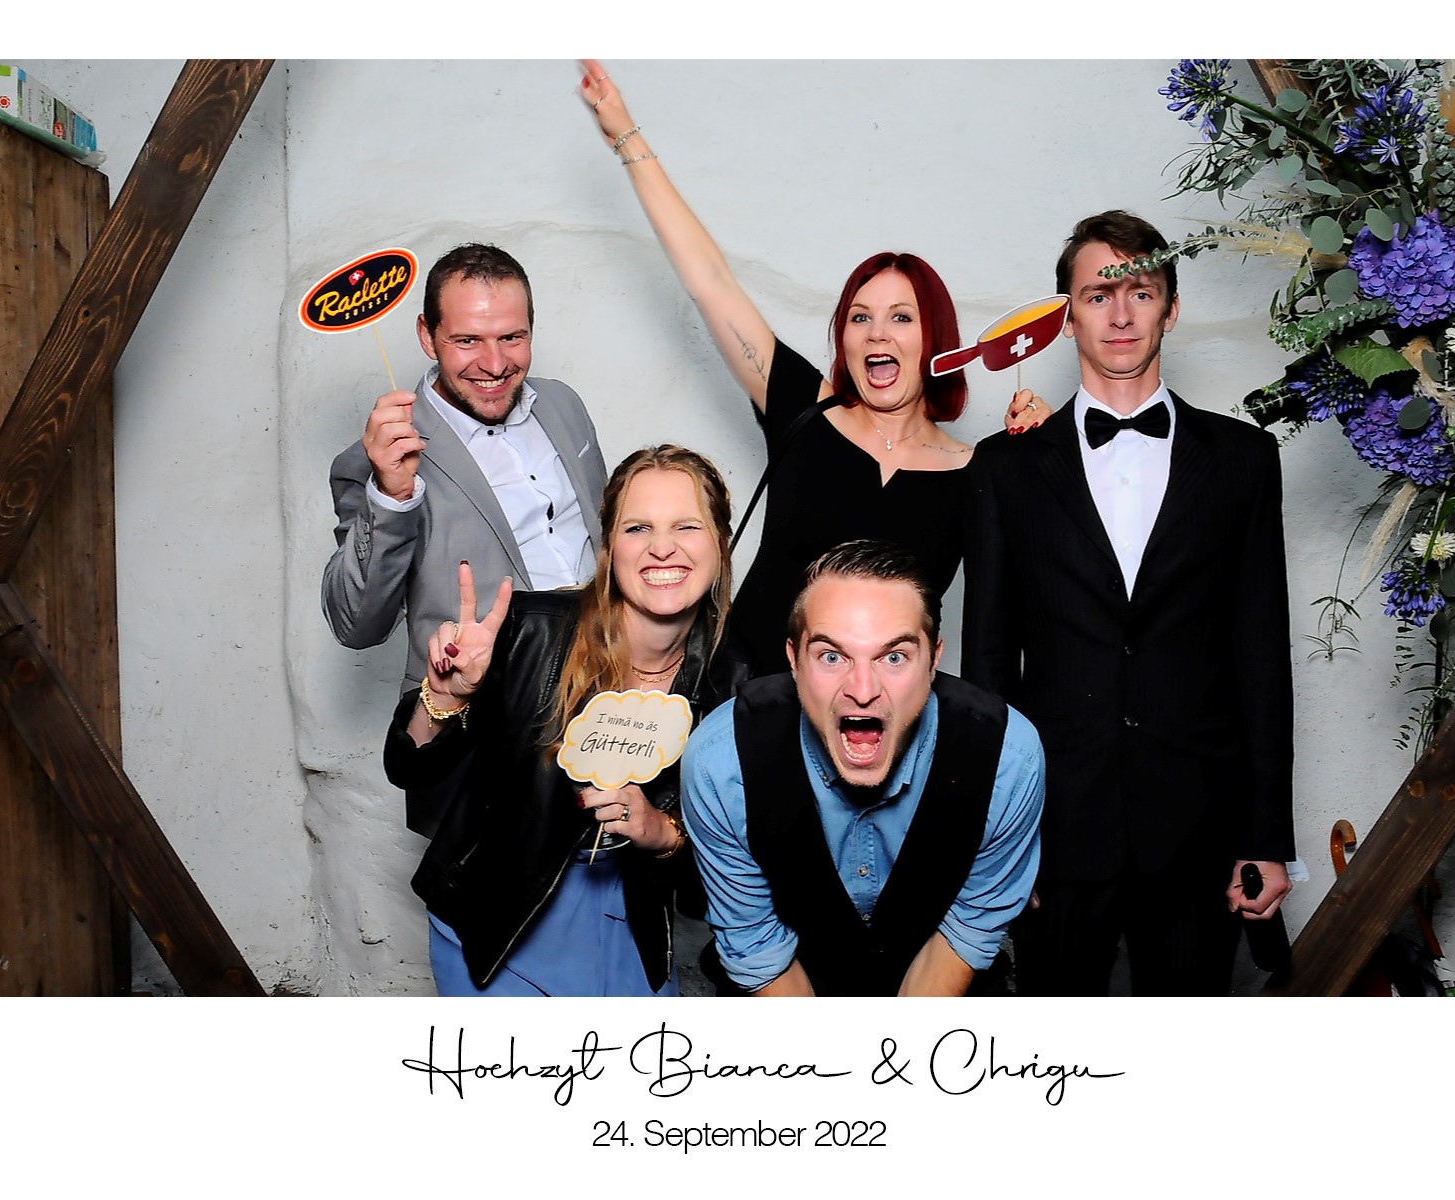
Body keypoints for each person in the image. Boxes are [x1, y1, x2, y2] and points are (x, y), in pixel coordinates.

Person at [962, 210, 1295, 996]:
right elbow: (987, 671)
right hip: (1052, 830)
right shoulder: (1005, 469)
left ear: (1170, 309)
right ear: (1066, 316)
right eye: (1097, 295)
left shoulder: (1243, 460)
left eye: (1140, 292)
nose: (1119, 315)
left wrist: (1267, 835)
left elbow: (1261, 657)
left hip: (1200, 832)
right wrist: (998, 842)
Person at [577, 61, 977, 677]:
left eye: (901, 317)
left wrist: (1040, 433)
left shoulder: (978, 473)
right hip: (748, 701)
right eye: (860, 317)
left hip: (880, 715)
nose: (877, 333)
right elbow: (711, 281)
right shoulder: (804, 409)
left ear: (935, 339)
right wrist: (626, 136)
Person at [383, 445, 746, 996]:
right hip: (497, 927)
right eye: (638, 528)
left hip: (633, 927)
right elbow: (410, 769)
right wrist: (446, 696)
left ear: (720, 542)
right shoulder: (531, 631)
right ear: (609, 547)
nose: (662, 547)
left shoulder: (735, 681)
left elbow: (730, 871)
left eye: (687, 526)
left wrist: (662, 833)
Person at [681, 540, 1044, 996]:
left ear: (933, 659)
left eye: (894, 657)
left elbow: (970, 927)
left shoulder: (1008, 758)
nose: (863, 689)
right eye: (832, 656)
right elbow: (755, 945)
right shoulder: (720, 762)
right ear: (794, 660)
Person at [322, 242, 607, 693]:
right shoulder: (376, 460)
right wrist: (392, 496)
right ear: (427, 335)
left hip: (610, 680)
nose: (494, 365)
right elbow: (356, 626)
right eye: (467, 340)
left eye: (511, 338)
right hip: (482, 706)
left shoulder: (562, 403)